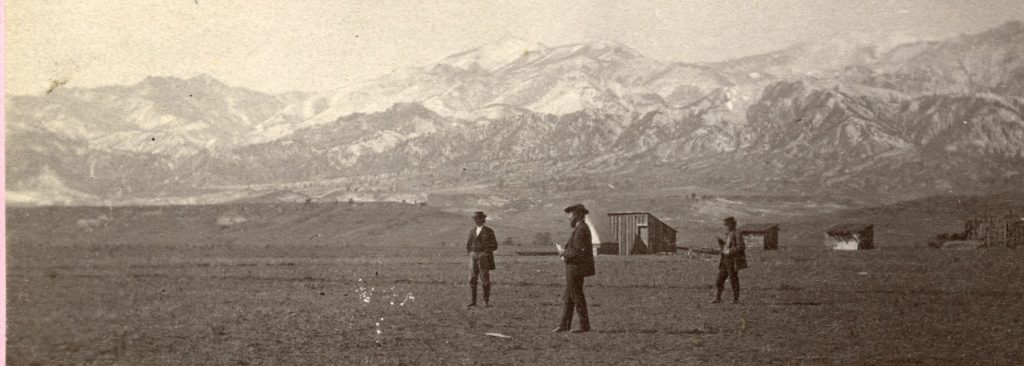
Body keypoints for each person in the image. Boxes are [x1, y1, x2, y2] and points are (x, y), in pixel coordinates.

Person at [553, 204, 595, 333]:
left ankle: (584, 326)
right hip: (574, 268)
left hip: (576, 268)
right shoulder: (581, 228)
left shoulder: (581, 230)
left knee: (576, 296)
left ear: (577, 215)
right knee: (569, 297)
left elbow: (577, 252)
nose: (568, 218)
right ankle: (564, 324)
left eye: (570, 215)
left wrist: (563, 253)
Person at [465, 211, 498, 307]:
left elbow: (495, 245)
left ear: (483, 219)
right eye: (475, 219)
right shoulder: (472, 231)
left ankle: (485, 301)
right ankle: (473, 301)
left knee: (485, 279)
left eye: (478, 218)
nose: (476, 220)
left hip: (484, 257)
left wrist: (485, 253)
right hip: (473, 256)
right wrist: (471, 253)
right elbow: (468, 245)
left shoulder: (489, 231)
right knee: (472, 279)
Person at [713, 216, 747, 304]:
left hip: (732, 260)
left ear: (732, 224)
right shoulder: (729, 234)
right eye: (726, 225)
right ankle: (718, 298)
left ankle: (736, 299)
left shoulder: (737, 233)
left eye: (727, 224)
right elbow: (727, 246)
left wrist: (729, 251)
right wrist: (721, 243)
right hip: (724, 260)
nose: (726, 226)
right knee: (720, 279)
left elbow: (741, 247)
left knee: (733, 279)